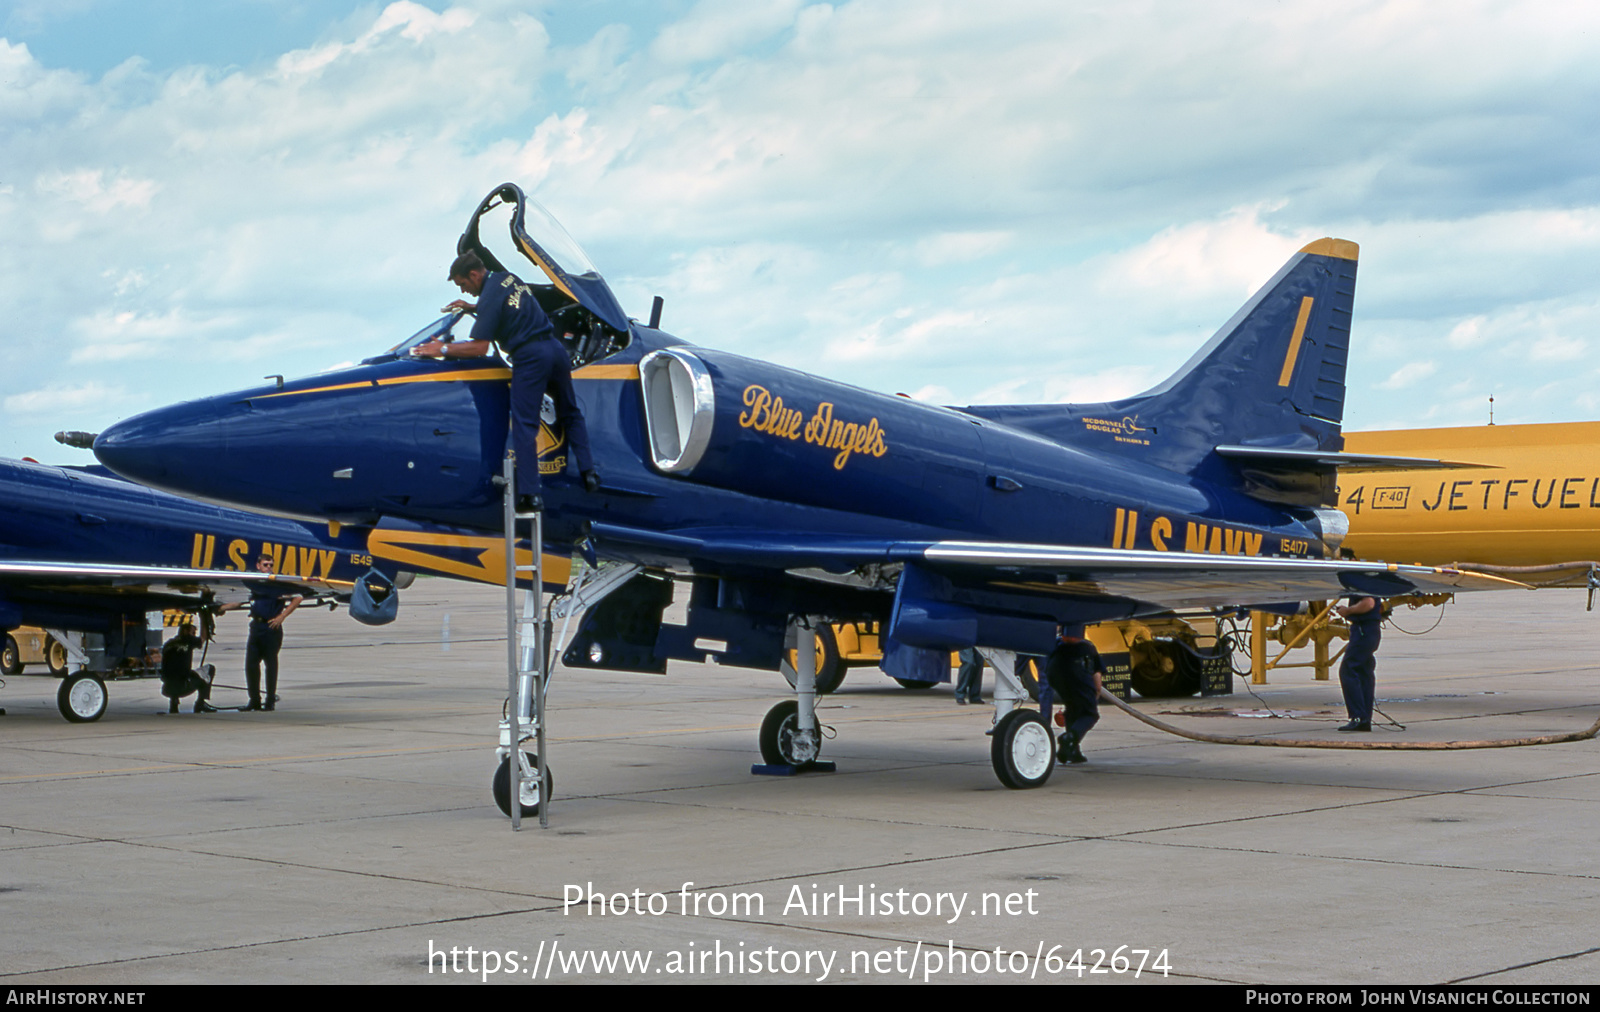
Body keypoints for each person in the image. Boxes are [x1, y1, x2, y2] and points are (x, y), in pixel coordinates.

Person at [415, 251, 600, 513]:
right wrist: (472, 308)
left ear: (474, 275)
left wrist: (442, 349)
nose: (464, 290)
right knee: (570, 412)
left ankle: (530, 495)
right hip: (555, 350)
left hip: (530, 357)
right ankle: (589, 473)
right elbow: (505, 305)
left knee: (525, 424)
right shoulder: (507, 278)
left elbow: (480, 347)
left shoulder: (489, 296)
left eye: (463, 284)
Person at [223, 554, 302, 711]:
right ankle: (254, 700)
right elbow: (241, 600)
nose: (269, 568)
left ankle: (270, 700)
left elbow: (298, 597)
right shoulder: (253, 583)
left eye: (271, 565)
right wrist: (221, 608)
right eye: (265, 565)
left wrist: (282, 616)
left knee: (270, 664)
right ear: (258, 565)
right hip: (256, 625)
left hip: (271, 627)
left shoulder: (276, 583)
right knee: (251, 665)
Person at [1045, 624, 1104, 764]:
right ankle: (1070, 738)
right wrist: (1096, 691)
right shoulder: (1087, 648)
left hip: (1055, 675)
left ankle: (1072, 751)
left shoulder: (1057, 644)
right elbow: (1097, 677)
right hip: (1079, 676)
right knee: (1090, 715)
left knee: (1073, 710)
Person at [1335, 595, 1383, 732]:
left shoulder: (1361, 581)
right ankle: (1364, 718)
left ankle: (1358, 717)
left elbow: (1368, 603)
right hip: (1370, 630)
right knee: (1364, 672)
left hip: (1363, 631)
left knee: (1348, 670)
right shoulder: (1371, 578)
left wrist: (1348, 611)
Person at [160, 622, 216, 714]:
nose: (194, 636)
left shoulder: (168, 644)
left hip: (167, 689)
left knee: (175, 672)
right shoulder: (188, 640)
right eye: (193, 633)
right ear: (186, 631)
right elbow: (203, 638)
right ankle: (200, 703)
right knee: (210, 669)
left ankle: (173, 703)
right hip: (184, 686)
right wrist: (204, 620)